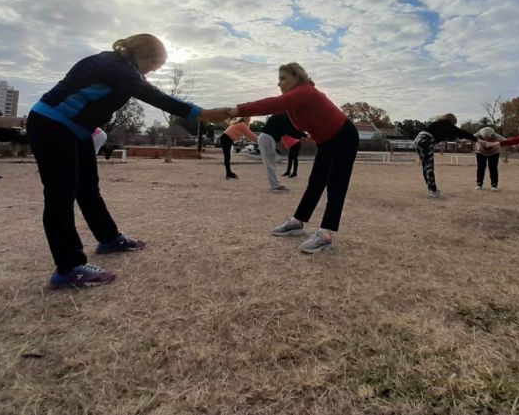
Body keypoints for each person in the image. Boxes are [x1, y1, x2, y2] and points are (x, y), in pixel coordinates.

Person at [27, 33, 226, 289]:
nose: (152, 72)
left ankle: (109, 239)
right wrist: (202, 113)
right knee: (60, 196)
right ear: (143, 56)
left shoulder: (120, 67)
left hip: (76, 129)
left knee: (88, 189)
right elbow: (155, 96)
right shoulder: (116, 67)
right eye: (154, 66)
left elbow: (145, 88)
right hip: (52, 124)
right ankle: (69, 268)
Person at [228, 62, 358, 254]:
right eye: (278, 79)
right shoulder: (293, 102)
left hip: (344, 136)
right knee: (315, 182)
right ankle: (298, 222)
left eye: (283, 78)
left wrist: (238, 109)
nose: (279, 83)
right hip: (326, 141)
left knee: (335, 185)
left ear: (297, 78)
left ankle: (326, 234)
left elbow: (273, 104)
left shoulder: (305, 91)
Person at [413, 113, 478, 198]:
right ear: (451, 121)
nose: (454, 125)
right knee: (429, 166)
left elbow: (453, 135)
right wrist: (477, 139)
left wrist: (460, 141)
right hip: (426, 140)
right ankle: (433, 190)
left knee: (425, 166)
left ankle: (430, 189)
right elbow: (461, 132)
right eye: (454, 124)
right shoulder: (446, 124)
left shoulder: (439, 125)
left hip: (418, 139)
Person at [257, 113, 305, 192]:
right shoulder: (285, 116)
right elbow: (291, 131)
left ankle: (275, 185)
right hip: (268, 139)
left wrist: (301, 135)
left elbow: (289, 130)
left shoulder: (281, 114)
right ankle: (275, 186)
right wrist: (304, 135)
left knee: (270, 164)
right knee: (270, 164)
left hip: (266, 138)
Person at [473, 126, 505, 191]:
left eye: (488, 138)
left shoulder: (495, 135)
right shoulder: (478, 134)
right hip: (480, 152)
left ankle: (494, 185)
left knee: (493, 168)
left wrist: (514, 144)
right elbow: (469, 137)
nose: (486, 140)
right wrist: (461, 140)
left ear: (492, 135)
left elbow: (505, 140)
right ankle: (479, 184)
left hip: (494, 152)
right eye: (484, 138)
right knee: (481, 168)